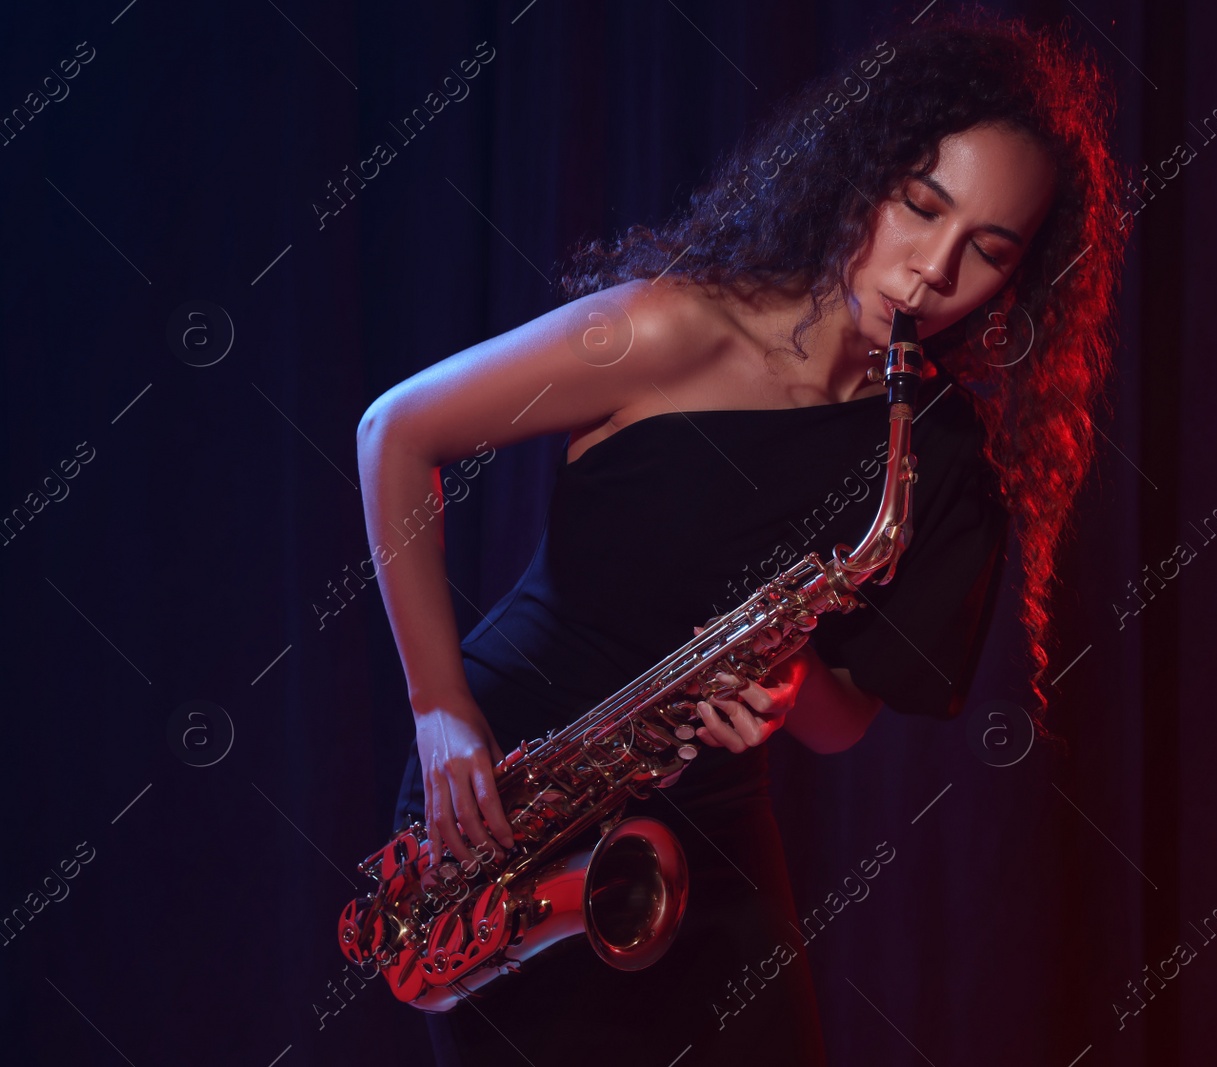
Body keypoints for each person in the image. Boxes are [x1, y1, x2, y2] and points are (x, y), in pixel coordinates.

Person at [354, 11, 1123, 1066]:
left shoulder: (939, 461)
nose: (933, 273)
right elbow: (394, 432)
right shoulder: (672, 329)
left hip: (706, 843)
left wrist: (797, 687)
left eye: (987, 251)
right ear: (863, 170)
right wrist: (440, 709)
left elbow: (844, 721)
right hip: (501, 798)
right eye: (919, 205)